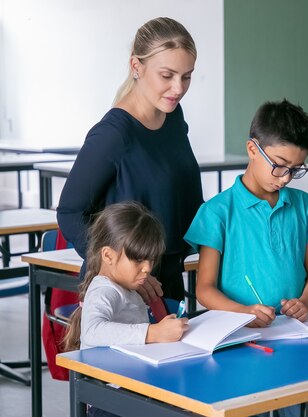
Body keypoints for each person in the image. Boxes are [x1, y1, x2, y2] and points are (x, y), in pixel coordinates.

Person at [57, 17, 203, 302]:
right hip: (124, 289)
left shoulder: (173, 116)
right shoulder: (113, 134)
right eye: (167, 75)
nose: (178, 88)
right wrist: (120, 267)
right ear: (136, 66)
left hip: (167, 277)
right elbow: (69, 213)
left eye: (186, 76)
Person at [184, 99, 308, 328]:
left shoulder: (305, 206)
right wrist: (244, 312)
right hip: (239, 330)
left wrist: (305, 303)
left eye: (295, 169)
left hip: (295, 329)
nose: (285, 177)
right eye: (279, 165)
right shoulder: (216, 213)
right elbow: (204, 289)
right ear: (253, 149)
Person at [63, 202, 188, 417]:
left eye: (151, 259)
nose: (148, 268)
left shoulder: (127, 286)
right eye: (138, 259)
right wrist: (153, 333)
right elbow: (92, 330)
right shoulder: (104, 289)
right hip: (109, 400)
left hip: (128, 388)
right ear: (108, 256)